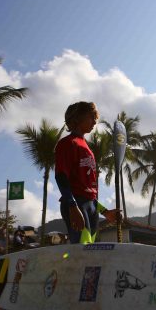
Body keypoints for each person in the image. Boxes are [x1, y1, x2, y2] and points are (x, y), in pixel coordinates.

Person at [55, 101, 119, 244]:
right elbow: (61, 176)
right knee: (82, 252)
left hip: (90, 207)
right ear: (77, 118)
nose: (95, 121)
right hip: (76, 204)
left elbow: (88, 191)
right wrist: (73, 207)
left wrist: (105, 212)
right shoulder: (67, 143)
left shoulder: (87, 147)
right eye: (91, 117)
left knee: (91, 252)